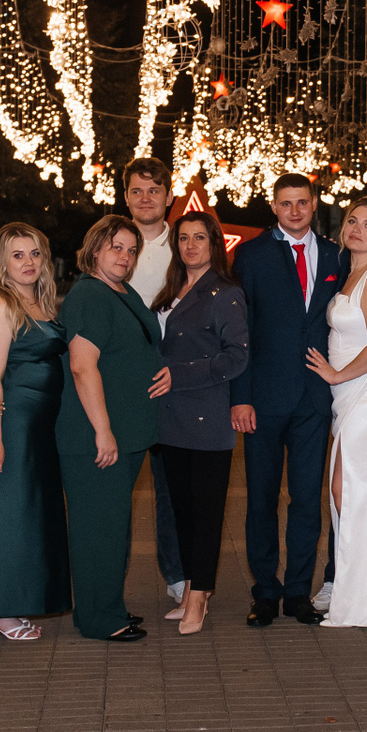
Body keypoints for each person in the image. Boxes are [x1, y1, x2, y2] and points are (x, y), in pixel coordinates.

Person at [231, 173, 345, 626]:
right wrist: (240, 397)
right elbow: (240, 332)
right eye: (285, 203)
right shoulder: (251, 255)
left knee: (306, 500)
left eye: (302, 202)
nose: (294, 211)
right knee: (260, 500)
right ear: (273, 206)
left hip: (315, 398)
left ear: (314, 203)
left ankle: (298, 591)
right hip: (262, 399)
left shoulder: (337, 255)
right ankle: (265, 591)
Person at [57, 215, 168, 641]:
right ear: (95, 249)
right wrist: (103, 431)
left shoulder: (120, 291)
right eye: (115, 247)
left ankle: (104, 607)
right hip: (97, 436)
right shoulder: (89, 294)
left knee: (113, 525)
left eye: (131, 249)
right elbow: (82, 367)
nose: (125, 256)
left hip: (124, 433)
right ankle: (101, 619)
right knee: (97, 529)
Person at [307, 196, 367, 628]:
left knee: (351, 491)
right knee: (351, 493)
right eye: (352, 221)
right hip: (349, 396)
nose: (357, 230)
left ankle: (360, 600)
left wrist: (336, 374)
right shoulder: (350, 274)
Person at [153, 211, 249, 634]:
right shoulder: (172, 290)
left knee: (206, 513)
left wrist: (180, 374)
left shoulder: (225, 293)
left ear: (214, 244)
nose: (190, 245)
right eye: (183, 238)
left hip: (206, 416)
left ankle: (199, 596)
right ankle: (192, 586)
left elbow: (237, 356)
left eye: (199, 238)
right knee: (183, 512)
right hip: (169, 416)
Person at [0, 223, 68, 640]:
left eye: (34, 253)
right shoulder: (1, 306)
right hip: (11, 425)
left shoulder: (42, 303)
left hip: (40, 428)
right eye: (17, 255)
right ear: (1, 263)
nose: (28, 262)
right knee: (9, 516)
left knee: (32, 516)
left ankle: (17, 600)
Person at [122, 157, 187, 612]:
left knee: (172, 489)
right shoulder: (110, 243)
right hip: (121, 384)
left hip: (172, 382)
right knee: (115, 491)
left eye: (154, 190)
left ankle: (178, 576)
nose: (145, 198)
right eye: (137, 191)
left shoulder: (184, 246)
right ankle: (108, 582)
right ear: (126, 197)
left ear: (169, 196)